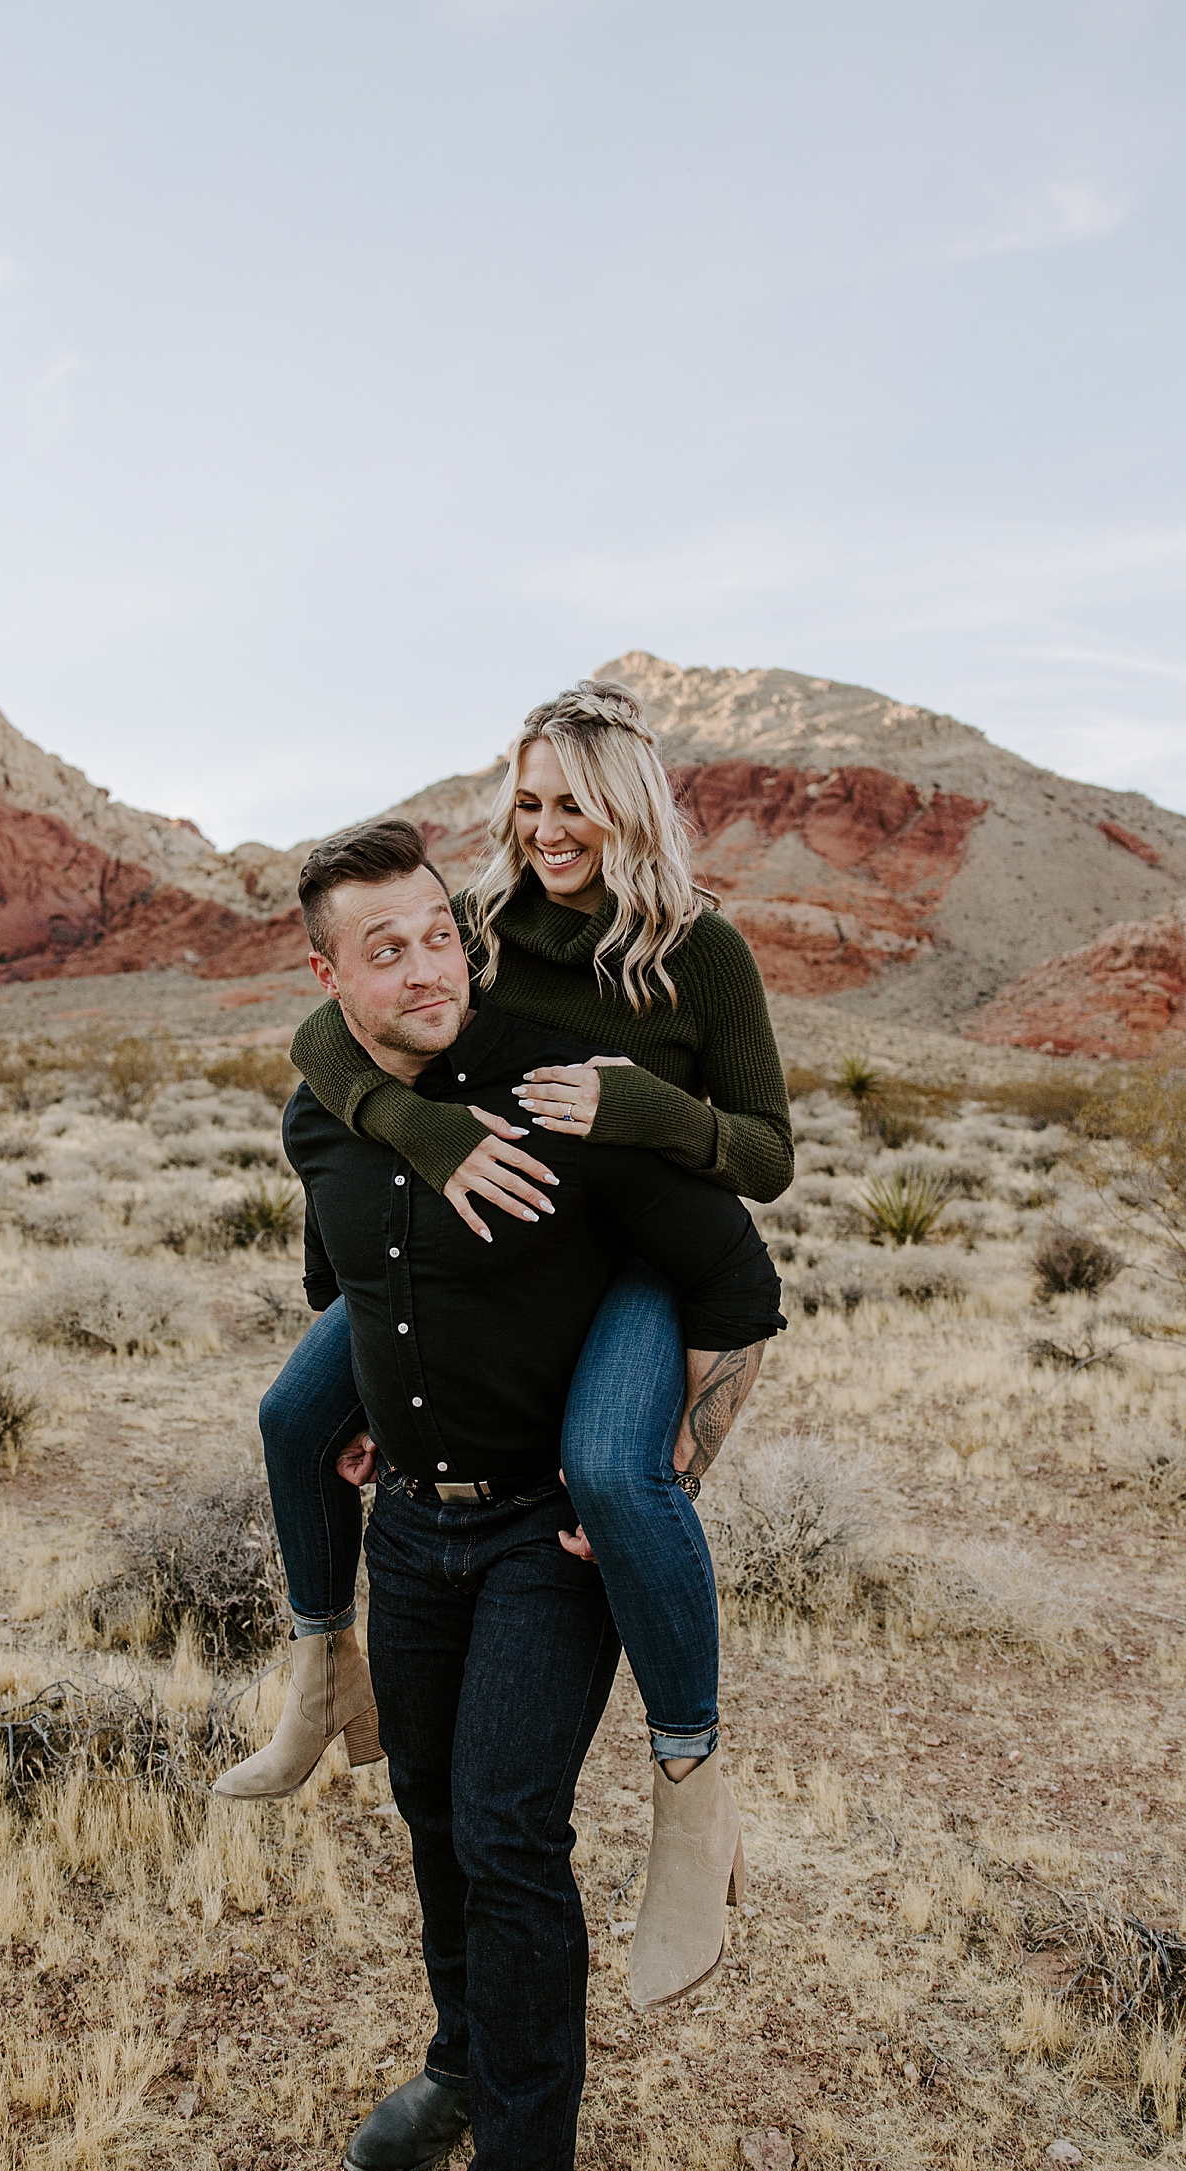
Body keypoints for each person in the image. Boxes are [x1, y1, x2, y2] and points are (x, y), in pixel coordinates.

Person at [216, 681, 792, 2006]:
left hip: (642, 1247)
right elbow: (326, 1029)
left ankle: (693, 1785)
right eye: (527, 800)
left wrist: (651, 1109)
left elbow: (766, 1154)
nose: (546, 828)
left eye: (572, 803)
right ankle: (320, 1669)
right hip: (487, 1225)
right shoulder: (481, 917)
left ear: (627, 805)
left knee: (609, 1460)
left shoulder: (701, 954)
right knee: (298, 1414)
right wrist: (421, 1132)